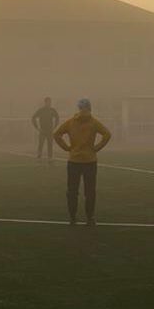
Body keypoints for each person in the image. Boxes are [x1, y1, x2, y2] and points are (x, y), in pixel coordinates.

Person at [53, 98, 112, 226]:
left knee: (72, 191)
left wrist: (66, 147)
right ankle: (90, 218)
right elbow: (107, 134)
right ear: (90, 108)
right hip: (90, 161)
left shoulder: (70, 122)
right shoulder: (94, 123)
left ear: (78, 108)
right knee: (90, 191)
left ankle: (72, 217)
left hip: (74, 161)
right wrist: (96, 148)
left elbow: (56, 134)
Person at [32, 97, 60, 162]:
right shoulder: (41, 110)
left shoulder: (52, 110)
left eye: (50, 102)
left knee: (50, 143)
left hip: (50, 130)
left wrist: (55, 126)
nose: (49, 103)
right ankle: (39, 154)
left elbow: (57, 117)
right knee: (41, 143)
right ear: (45, 102)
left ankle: (50, 156)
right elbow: (33, 118)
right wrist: (37, 127)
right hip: (42, 130)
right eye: (48, 102)